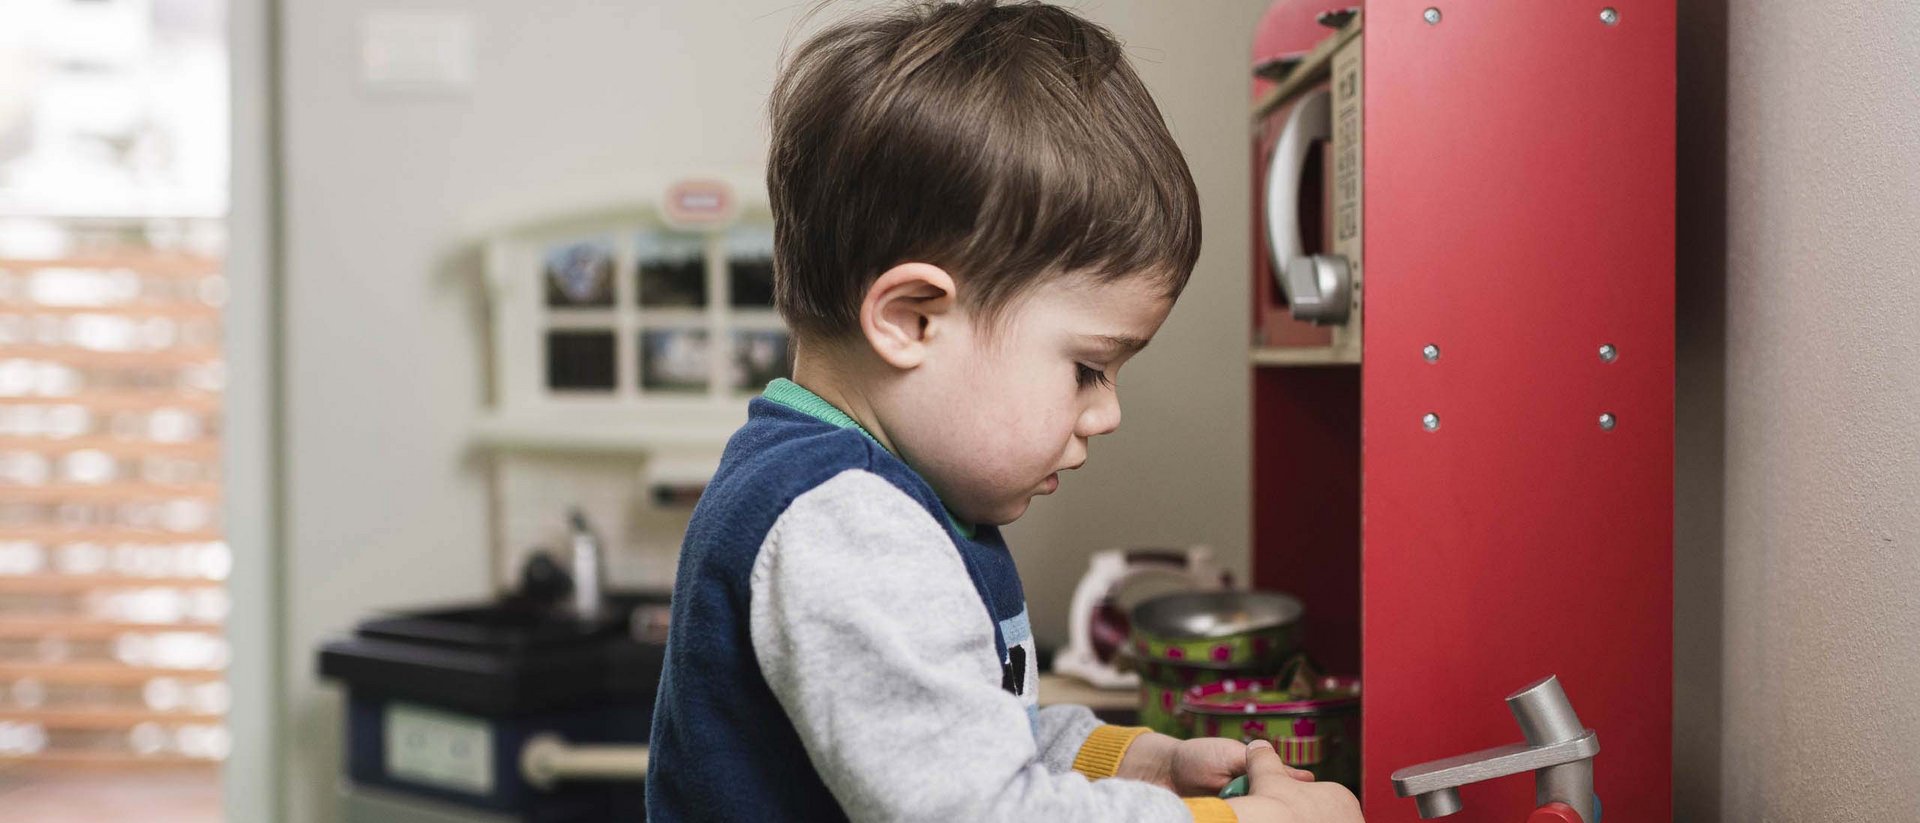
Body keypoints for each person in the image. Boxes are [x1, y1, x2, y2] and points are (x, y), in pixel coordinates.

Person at [646, 2, 1365, 821]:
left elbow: (972, 732)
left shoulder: (875, 495)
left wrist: (1135, 759)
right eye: (1089, 367)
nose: (1106, 414)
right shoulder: (848, 527)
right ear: (914, 318)